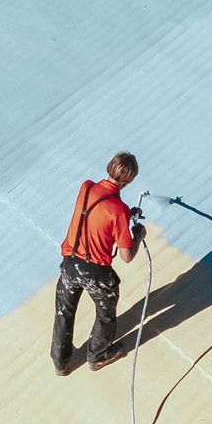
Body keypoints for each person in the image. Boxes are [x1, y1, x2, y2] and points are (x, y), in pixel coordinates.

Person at [51, 151, 143, 375]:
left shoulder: (87, 187)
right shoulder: (119, 211)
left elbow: (99, 213)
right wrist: (137, 235)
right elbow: (126, 256)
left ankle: (60, 362)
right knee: (105, 313)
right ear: (128, 181)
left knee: (64, 311)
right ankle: (98, 355)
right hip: (96, 273)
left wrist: (125, 214)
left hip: (70, 264)